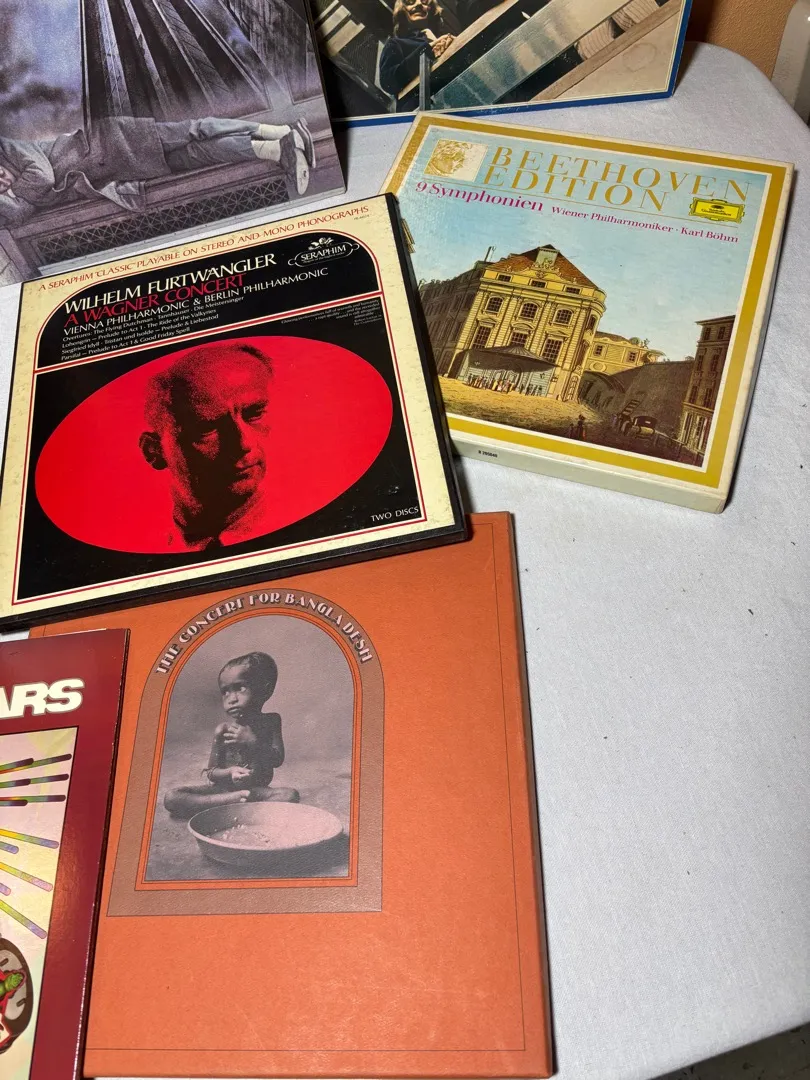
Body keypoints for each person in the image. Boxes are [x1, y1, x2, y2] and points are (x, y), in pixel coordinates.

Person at [0, 113, 315, 226]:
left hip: (115, 142)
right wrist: (11, 193)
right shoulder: (18, 195)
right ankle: (278, 148)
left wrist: (15, 189)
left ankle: (278, 130)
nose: (2, 178)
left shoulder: (6, 148)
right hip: (124, 171)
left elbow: (42, 176)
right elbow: (17, 215)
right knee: (199, 154)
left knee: (195, 130)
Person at [139, 340, 276, 550]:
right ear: (154, 452)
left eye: (254, 415)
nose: (244, 444)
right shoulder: (146, 544)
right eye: (206, 428)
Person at [163, 651, 299, 819]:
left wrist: (253, 742)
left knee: (290, 795)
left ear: (265, 690)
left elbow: (277, 760)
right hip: (222, 790)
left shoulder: (271, 722)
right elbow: (212, 772)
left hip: (255, 791)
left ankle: (227, 805)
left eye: (240, 688)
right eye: (225, 691)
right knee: (172, 797)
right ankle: (233, 802)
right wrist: (230, 771)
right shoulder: (223, 730)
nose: (231, 699)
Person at [379, 0, 461, 98]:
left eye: (425, 1)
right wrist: (426, 52)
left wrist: (456, 45)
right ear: (401, 10)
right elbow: (388, 82)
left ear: (431, 10)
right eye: (410, 1)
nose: (418, 4)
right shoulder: (395, 43)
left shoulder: (442, 39)